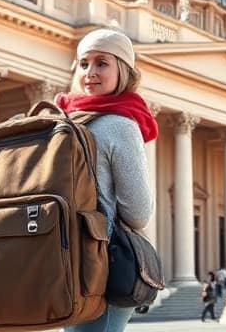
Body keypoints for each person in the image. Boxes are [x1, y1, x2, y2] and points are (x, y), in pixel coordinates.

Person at [59, 28, 157, 332]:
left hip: (59, 258)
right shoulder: (120, 125)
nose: (90, 72)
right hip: (101, 263)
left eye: (102, 63)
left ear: (122, 71)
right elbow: (138, 212)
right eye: (85, 63)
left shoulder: (61, 120)